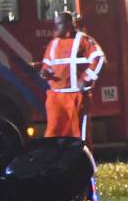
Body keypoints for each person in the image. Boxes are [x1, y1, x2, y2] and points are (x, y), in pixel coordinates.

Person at [39, 10, 106, 141]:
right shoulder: (53, 44)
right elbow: (47, 65)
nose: (55, 28)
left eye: (58, 24)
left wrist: (85, 79)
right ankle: (55, 160)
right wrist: (45, 73)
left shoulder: (83, 40)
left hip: (76, 96)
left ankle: (80, 160)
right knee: (53, 133)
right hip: (56, 97)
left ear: (69, 25)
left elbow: (99, 60)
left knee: (79, 134)